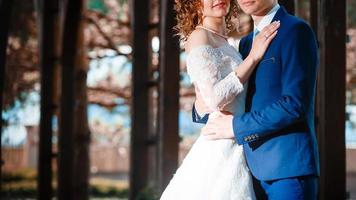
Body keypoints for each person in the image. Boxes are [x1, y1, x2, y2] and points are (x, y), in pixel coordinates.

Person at [198, 0, 320, 199]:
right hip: (247, 171)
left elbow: (294, 104)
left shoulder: (296, 30)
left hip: (287, 170)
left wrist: (235, 127)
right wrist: (202, 106)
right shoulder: (246, 44)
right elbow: (236, 97)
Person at [160, 0, 279, 199]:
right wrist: (253, 58)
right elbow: (214, 99)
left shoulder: (227, 42)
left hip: (239, 140)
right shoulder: (198, 36)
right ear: (194, 4)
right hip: (220, 145)